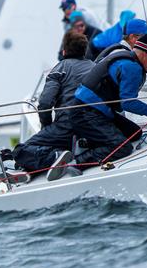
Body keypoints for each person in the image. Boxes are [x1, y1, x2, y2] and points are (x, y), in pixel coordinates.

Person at [71, 33, 147, 167]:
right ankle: (78, 162)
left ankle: (87, 142)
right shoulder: (132, 67)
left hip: (93, 110)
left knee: (135, 133)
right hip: (86, 113)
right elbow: (127, 103)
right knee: (122, 148)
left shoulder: (125, 58)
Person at [11, 32, 92, 179]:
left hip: (67, 127)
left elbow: (45, 104)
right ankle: (30, 168)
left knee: (20, 150)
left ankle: (54, 157)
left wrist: (46, 127)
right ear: (84, 50)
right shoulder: (95, 68)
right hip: (94, 127)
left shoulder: (59, 69)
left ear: (64, 51)